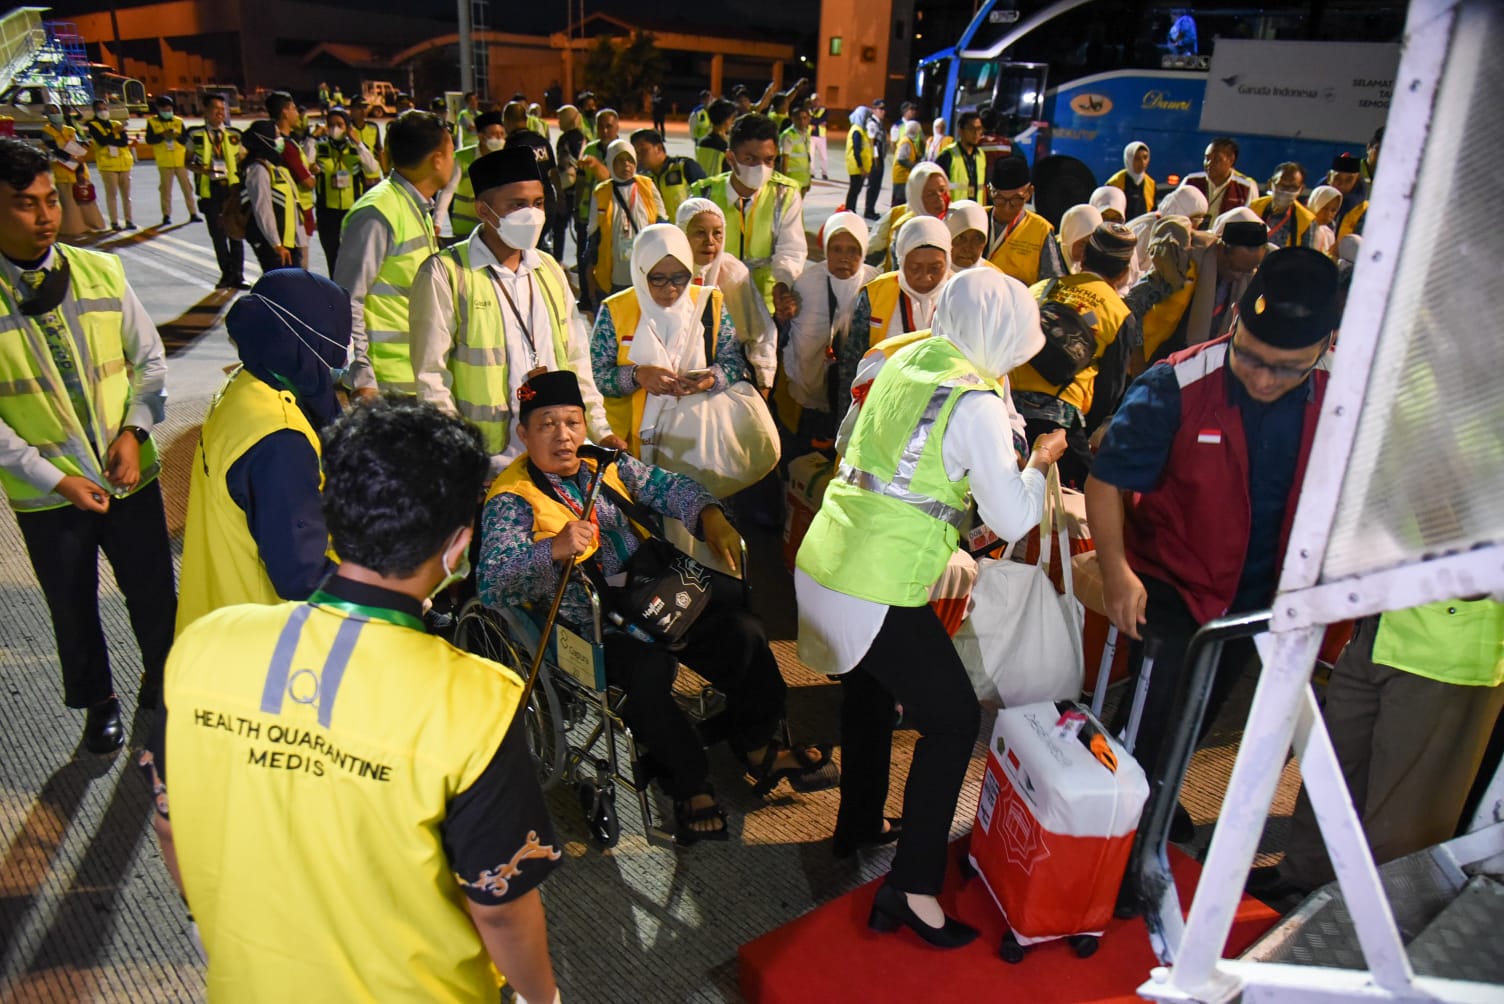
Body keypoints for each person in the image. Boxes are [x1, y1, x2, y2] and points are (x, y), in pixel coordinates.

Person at [142, 395, 563, 1003]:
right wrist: (540, 998)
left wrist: (220, 932)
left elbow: (169, 825)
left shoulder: (203, 649)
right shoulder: (476, 704)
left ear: (333, 518)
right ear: (457, 546)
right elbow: (497, 907)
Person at [796, 268, 1067, 947]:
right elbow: (1010, 519)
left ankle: (857, 827)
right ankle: (912, 888)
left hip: (830, 555)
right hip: (876, 579)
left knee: (869, 694)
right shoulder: (975, 401)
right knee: (951, 721)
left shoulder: (907, 355)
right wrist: (1039, 459)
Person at [479, 369, 835, 844]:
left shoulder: (605, 465)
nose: (563, 437)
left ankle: (757, 745)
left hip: (656, 595)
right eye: (546, 425)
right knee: (647, 671)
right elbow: (492, 582)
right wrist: (554, 550)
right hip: (591, 624)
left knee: (745, 633)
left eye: (571, 421)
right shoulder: (511, 499)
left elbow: (670, 487)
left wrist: (709, 515)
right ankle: (688, 782)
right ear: (523, 434)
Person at [1085, 247, 1341, 843]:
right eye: (1248, 355)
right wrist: (1119, 572)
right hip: (1173, 583)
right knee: (1151, 713)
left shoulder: (1341, 396)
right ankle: (1114, 820)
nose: (1261, 377)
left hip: (1262, 593)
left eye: (1286, 368)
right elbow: (1106, 483)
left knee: (1202, 711)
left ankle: (1159, 797)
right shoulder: (1176, 385)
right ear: (1235, 324)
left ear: (1322, 347)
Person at [0, 137, 174, 752]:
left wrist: (134, 432)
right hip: (50, 497)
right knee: (72, 607)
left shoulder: (100, 269)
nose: (47, 216)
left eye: (50, 200)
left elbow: (149, 361)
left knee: (154, 592)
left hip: (129, 473)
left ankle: (163, 681)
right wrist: (57, 478)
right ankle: (98, 702)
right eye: (26, 204)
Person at [1249, 600, 1504, 901]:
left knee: (1404, 812)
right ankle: (1306, 872)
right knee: (1335, 768)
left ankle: (1379, 910)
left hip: (1446, 651)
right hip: (1374, 626)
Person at [410, 146, 619, 471]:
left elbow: (577, 358)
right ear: (484, 210)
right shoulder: (445, 274)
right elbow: (431, 379)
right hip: (489, 461)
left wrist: (599, 430)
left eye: (537, 203)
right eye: (517, 205)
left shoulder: (548, 268)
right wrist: (459, 458)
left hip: (558, 458)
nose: (532, 214)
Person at [176, 270, 346, 633]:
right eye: (333, 350)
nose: (339, 367)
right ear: (299, 345)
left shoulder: (243, 388)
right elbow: (302, 575)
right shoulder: (281, 440)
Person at [588, 224, 751, 457]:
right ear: (641, 271)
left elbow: (733, 362)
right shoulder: (616, 310)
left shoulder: (709, 303)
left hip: (698, 439)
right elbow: (595, 377)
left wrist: (709, 380)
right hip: (630, 445)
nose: (671, 289)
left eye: (680, 277)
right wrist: (637, 375)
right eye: (658, 279)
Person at [1010, 222, 1140, 487]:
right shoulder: (1118, 312)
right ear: (1125, 272)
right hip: (1059, 423)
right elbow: (1109, 391)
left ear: (1082, 258)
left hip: (1007, 411)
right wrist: (1081, 433)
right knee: (1086, 498)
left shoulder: (1042, 288)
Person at [336, 109, 452, 399]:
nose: (454, 161)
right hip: (386, 384)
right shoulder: (377, 213)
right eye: (451, 152)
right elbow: (345, 301)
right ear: (437, 159)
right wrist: (362, 377)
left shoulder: (414, 206)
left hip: (415, 376)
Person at [688, 113, 808, 321]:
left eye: (769, 160)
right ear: (731, 158)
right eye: (750, 159)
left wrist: (783, 285)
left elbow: (791, 249)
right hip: (713, 302)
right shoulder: (704, 194)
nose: (760, 168)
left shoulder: (784, 194)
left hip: (766, 303)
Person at [836, 215, 952, 426]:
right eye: (914, 268)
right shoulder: (876, 294)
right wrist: (846, 424)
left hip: (943, 416)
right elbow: (853, 363)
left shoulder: (960, 296)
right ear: (900, 259)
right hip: (883, 410)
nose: (925, 278)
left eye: (935, 268)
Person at [785, 212, 879, 444]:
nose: (844, 258)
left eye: (852, 250)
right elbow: (798, 343)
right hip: (810, 391)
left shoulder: (876, 283)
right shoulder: (807, 284)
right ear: (825, 249)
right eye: (836, 249)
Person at [1129, 212, 1267, 362]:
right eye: (1234, 268)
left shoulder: (1247, 280)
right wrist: (1138, 358)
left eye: (1246, 272)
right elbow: (1133, 305)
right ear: (1221, 249)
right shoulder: (1183, 267)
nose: (1239, 277)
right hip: (1159, 358)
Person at [676, 197, 777, 393]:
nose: (710, 241)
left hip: (727, 382)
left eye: (717, 233)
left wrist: (764, 383)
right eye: (699, 233)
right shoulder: (666, 273)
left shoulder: (733, 275)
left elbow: (760, 333)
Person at [584, 140, 666, 308]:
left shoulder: (647, 186)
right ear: (611, 162)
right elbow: (593, 233)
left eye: (629, 160)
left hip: (646, 267)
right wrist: (589, 277)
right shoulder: (601, 192)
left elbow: (662, 223)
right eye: (620, 160)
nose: (626, 165)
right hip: (614, 272)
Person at [185, 93, 247, 289]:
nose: (220, 113)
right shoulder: (195, 136)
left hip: (232, 190)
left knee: (236, 232)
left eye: (223, 109)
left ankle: (239, 274)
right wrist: (201, 169)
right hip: (210, 190)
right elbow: (187, 161)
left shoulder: (235, 135)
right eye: (216, 109)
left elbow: (244, 159)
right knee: (218, 235)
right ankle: (226, 273)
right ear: (206, 111)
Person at [985, 156, 1066, 285]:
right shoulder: (975, 218)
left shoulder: (1041, 229)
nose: (1007, 208)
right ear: (989, 191)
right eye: (999, 199)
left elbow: (1052, 282)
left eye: (1016, 200)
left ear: (1029, 192)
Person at [312, 107, 373, 270]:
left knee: (353, 258)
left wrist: (358, 143)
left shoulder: (357, 149)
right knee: (332, 258)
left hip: (352, 211)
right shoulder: (320, 147)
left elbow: (373, 168)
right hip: (327, 212)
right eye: (331, 125)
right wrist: (312, 137)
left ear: (347, 127)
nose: (335, 129)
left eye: (339, 124)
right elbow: (305, 160)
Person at [240, 120, 302, 272]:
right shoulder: (258, 170)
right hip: (273, 244)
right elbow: (263, 209)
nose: (281, 140)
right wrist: (276, 244)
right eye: (277, 136)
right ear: (265, 139)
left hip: (287, 241)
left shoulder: (273, 166)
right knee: (280, 289)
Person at [40, 104, 106, 237]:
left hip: (77, 168)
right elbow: (54, 150)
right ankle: (72, 228)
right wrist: (69, 157)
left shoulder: (70, 130)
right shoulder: (46, 132)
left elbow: (78, 146)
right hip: (61, 170)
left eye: (56, 111)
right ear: (47, 115)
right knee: (69, 202)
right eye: (52, 112)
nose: (56, 114)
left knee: (86, 198)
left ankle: (91, 224)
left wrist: (79, 166)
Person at [869, 162, 949, 271]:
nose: (939, 198)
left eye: (942, 190)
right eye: (931, 194)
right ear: (916, 197)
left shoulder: (955, 220)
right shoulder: (900, 221)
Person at [448, 111, 508, 243]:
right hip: (464, 227)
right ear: (481, 137)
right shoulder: (462, 157)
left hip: (493, 227)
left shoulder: (505, 158)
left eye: (502, 134)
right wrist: (438, 221)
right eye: (494, 134)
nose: (499, 139)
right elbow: (448, 190)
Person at [632, 128, 707, 224]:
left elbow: (706, 198)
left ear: (658, 148)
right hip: (661, 234)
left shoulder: (683, 166)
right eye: (636, 152)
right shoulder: (643, 179)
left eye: (643, 150)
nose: (638, 157)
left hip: (688, 232)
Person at [144, 95, 197, 226]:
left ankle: (193, 213)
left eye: (169, 109)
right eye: (165, 109)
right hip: (164, 161)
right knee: (166, 190)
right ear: (158, 109)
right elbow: (149, 140)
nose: (167, 112)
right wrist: (162, 135)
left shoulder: (178, 121)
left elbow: (185, 140)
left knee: (187, 189)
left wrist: (177, 136)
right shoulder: (152, 122)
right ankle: (166, 215)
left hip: (180, 160)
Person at [85, 99, 135, 231]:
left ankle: (129, 220)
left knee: (126, 195)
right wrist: (113, 134)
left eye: (105, 108)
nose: (103, 111)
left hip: (123, 162)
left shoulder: (116, 123)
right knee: (112, 194)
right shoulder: (93, 125)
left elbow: (124, 142)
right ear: (95, 111)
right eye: (100, 109)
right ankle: (114, 222)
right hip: (107, 164)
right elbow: (102, 141)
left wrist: (112, 138)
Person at [1183, 137, 1257, 224]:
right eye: (1207, 158)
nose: (1209, 163)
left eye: (1216, 159)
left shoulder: (1246, 187)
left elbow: (1250, 221)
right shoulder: (1191, 181)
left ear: (1231, 160)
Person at [1248, 162, 1316, 249]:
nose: (1286, 191)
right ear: (1270, 184)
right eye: (1281, 185)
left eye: (1292, 187)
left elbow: (1305, 256)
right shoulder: (1255, 207)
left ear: (1301, 189)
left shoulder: (1306, 220)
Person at [554, 105, 587, 266]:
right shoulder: (583, 137)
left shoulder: (564, 139)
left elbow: (563, 166)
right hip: (582, 188)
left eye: (560, 118)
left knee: (559, 227)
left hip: (567, 190)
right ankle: (582, 263)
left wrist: (558, 191)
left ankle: (557, 261)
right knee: (581, 229)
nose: (558, 121)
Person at [933, 111, 986, 204]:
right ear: (960, 131)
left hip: (976, 210)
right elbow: (936, 187)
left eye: (979, 128)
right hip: (955, 211)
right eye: (971, 128)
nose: (976, 133)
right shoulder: (948, 155)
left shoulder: (981, 155)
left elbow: (983, 187)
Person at [1107, 141, 1156, 219]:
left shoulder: (1150, 183)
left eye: (1145, 157)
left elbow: (1153, 211)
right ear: (1129, 159)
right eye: (1137, 158)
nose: (1142, 162)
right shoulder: (1115, 182)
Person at [843, 107, 876, 216]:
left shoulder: (862, 129)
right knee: (854, 191)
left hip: (860, 167)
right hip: (856, 167)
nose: (868, 119)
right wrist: (861, 167)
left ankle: (851, 211)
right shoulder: (857, 131)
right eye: (867, 116)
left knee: (855, 191)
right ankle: (849, 212)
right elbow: (856, 150)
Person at [944, 200, 992, 273]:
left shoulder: (995, 278)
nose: (967, 248)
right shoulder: (928, 276)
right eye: (960, 238)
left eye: (977, 239)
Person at [348, 100, 384, 191]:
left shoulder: (373, 126)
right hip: (356, 176)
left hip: (374, 176)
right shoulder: (348, 129)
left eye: (365, 107)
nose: (363, 111)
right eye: (359, 108)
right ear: (351, 110)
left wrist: (385, 172)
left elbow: (379, 150)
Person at [695, 98, 736, 179]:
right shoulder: (723, 146)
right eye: (732, 118)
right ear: (726, 120)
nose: (733, 122)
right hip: (717, 188)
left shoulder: (701, 142)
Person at [1058, 203, 1104, 273]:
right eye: (1082, 244)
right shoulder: (1052, 261)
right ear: (1070, 237)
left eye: (1092, 246)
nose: (1086, 252)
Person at [779, 103, 814, 197]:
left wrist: (809, 179)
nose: (802, 121)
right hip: (792, 181)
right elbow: (784, 159)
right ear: (793, 119)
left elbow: (807, 158)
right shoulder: (788, 135)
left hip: (803, 181)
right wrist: (784, 181)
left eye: (805, 118)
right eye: (799, 118)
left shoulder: (806, 134)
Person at [890, 119, 924, 208]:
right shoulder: (906, 142)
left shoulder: (909, 141)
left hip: (903, 177)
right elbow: (902, 159)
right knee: (899, 203)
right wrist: (915, 166)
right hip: (901, 177)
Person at [863, 100, 887, 220]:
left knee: (877, 186)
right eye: (880, 109)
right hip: (875, 159)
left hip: (880, 158)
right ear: (873, 110)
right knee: (873, 185)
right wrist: (876, 160)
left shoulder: (879, 123)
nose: (883, 111)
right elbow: (873, 143)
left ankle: (871, 209)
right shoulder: (872, 123)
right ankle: (869, 210)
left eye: (883, 109)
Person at [1305, 184, 1342, 257]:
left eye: (1333, 210)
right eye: (1324, 208)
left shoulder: (1329, 234)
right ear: (1315, 202)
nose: (1328, 214)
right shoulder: (1300, 226)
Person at [809, 100, 830, 180]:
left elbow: (823, 119)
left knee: (824, 156)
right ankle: (811, 173)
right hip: (811, 135)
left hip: (821, 136)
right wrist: (819, 121)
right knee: (811, 156)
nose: (816, 102)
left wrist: (813, 121)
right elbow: (819, 120)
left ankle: (824, 173)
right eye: (814, 100)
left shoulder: (824, 110)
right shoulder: (808, 110)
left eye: (817, 100)